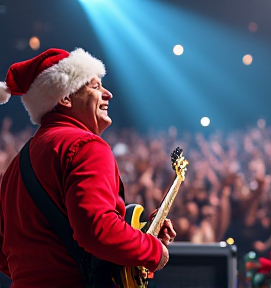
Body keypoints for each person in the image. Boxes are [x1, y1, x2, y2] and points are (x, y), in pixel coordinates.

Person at [0, 48, 176, 288]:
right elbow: (97, 229)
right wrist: (154, 250)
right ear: (65, 98)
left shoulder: (17, 165)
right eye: (95, 87)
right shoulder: (86, 146)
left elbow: (4, 252)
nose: (108, 94)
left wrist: (141, 235)